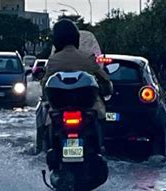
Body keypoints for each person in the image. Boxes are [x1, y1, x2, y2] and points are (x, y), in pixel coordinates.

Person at [35, 19, 113, 154]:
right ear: (76, 38)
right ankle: (100, 148)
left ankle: (43, 149)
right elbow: (104, 80)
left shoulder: (53, 60)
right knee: (100, 118)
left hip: (59, 111)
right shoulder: (87, 58)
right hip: (87, 110)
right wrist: (106, 90)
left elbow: (44, 86)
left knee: (45, 122)